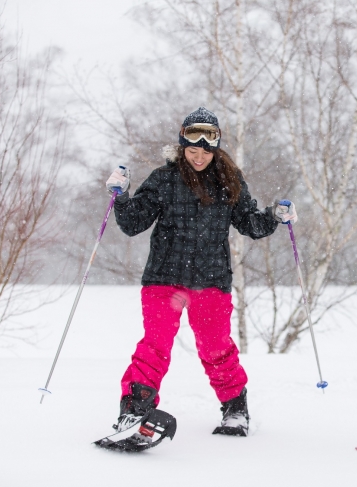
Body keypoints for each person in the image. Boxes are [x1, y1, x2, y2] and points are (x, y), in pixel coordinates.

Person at [105, 107, 297, 439]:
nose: (198, 156)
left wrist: (274, 215)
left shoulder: (229, 180)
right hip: (164, 279)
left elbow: (249, 223)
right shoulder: (163, 179)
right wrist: (120, 196)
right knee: (155, 346)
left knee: (216, 348)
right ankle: (134, 412)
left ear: (215, 147)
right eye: (192, 149)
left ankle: (235, 411)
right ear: (183, 146)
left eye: (205, 150)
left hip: (211, 280)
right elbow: (134, 223)